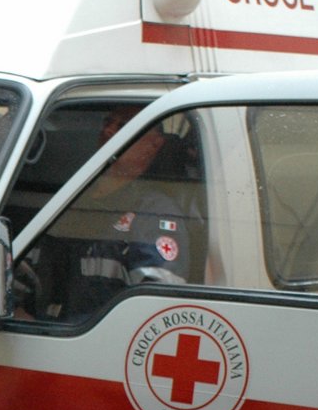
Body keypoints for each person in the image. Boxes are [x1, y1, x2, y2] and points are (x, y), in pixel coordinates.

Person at [14, 105, 200, 320]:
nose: (109, 131)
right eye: (107, 122)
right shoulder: (69, 199)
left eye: (123, 126)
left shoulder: (154, 212)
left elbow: (154, 311)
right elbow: (26, 276)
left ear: (154, 144)